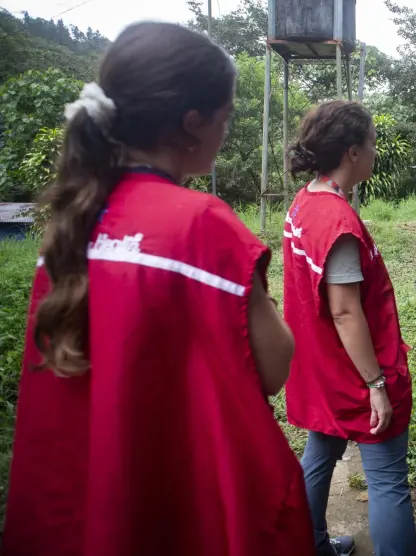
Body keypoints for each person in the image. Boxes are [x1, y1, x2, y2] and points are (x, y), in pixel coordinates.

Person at [4, 22, 313, 556]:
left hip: (91, 495)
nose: (225, 130)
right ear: (192, 123)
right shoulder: (202, 224)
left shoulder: (71, 226)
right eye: (225, 116)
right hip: (182, 496)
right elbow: (274, 365)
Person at [282, 100, 416, 556]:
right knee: (387, 480)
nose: (376, 152)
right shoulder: (337, 222)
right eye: (373, 144)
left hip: (321, 366)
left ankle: (310, 543)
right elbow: (344, 311)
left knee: (319, 456)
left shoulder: (306, 201)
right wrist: (376, 383)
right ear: (352, 152)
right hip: (354, 373)